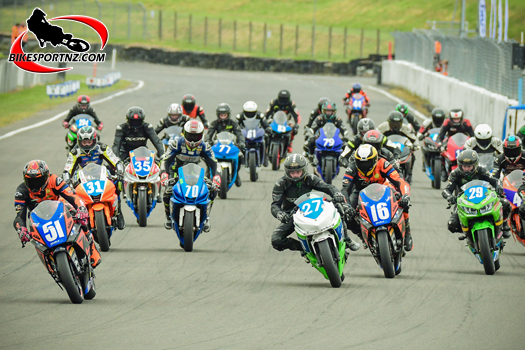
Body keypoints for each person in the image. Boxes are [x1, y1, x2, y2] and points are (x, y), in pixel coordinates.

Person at [14, 160, 101, 268]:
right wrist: (21, 229)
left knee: (79, 216)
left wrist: (81, 208)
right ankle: (50, 263)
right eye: (30, 181)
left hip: (59, 209)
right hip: (39, 219)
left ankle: (91, 245)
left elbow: (72, 196)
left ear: (46, 177)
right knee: (33, 237)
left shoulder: (55, 180)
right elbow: (19, 216)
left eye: (38, 180)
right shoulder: (21, 191)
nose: (34, 185)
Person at [270, 154, 360, 253]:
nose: (295, 175)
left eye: (298, 172)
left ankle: (346, 239)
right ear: (287, 172)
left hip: (313, 207)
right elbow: (275, 205)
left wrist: (337, 194)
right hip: (292, 214)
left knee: (341, 208)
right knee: (276, 240)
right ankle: (304, 248)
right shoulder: (280, 184)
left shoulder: (310, 178)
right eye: (292, 173)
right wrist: (280, 214)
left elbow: (328, 187)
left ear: (304, 170)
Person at [341, 144, 413, 251]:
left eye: (367, 162)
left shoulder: (383, 163)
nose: (364, 166)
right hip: (360, 192)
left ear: (375, 160)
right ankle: (362, 235)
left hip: (384, 188)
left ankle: (407, 231)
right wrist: (347, 206)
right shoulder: (352, 168)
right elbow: (344, 190)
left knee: (402, 201)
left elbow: (400, 181)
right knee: (347, 215)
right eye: (361, 163)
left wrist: (405, 195)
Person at [161, 120, 221, 230]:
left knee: (212, 190)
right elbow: (166, 160)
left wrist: (216, 177)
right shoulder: (176, 143)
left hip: (195, 174)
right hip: (176, 173)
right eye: (190, 135)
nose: (193, 139)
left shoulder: (204, 146)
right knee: (167, 192)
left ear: (201, 135)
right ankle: (168, 217)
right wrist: (164, 174)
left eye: (196, 136)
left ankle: (206, 217)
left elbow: (214, 163)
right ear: (184, 133)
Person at [63, 126, 126, 230]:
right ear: (79, 141)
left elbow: (116, 161)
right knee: (71, 193)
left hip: (101, 174)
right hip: (82, 177)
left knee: (118, 183)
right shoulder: (75, 152)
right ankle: (78, 215)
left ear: (95, 140)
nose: (87, 144)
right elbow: (67, 170)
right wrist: (68, 181)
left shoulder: (102, 148)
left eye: (89, 141)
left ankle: (118, 211)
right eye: (84, 142)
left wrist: (119, 171)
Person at [442, 150, 511, 238]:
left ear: (475, 165)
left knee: (505, 204)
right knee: (452, 224)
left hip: (484, 197)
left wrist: (498, 187)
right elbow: (446, 190)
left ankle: (504, 224)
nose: (467, 169)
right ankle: (468, 233)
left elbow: (495, 181)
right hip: (464, 201)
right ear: (460, 165)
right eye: (464, 166)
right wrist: (450, 197)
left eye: (469, 166)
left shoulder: (481, 170)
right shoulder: (455, 174)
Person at [205, 103, 246, 187]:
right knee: (207, 156)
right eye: (221, 115)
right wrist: (207, 141)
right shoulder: (214, 123)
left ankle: (236, 173)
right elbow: (209, 134)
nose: (223, 117)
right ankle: (208, 172)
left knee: (240, 156)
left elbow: (239, 134)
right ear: (218, 115)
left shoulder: (233, 123)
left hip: (231, 145)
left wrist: (241, 142)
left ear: (228, 114)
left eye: (225, 115)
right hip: (218, 146)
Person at [418, 108, 446, 172]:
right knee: (423, 146)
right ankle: (424, 161)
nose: (438, 121)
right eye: (436, 119)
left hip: (441, 141)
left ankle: (447, 165)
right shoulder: (427, 122)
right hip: (431, 140)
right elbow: (421, 131)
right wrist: (421, 135)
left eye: (440, 119)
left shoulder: (446, 123)